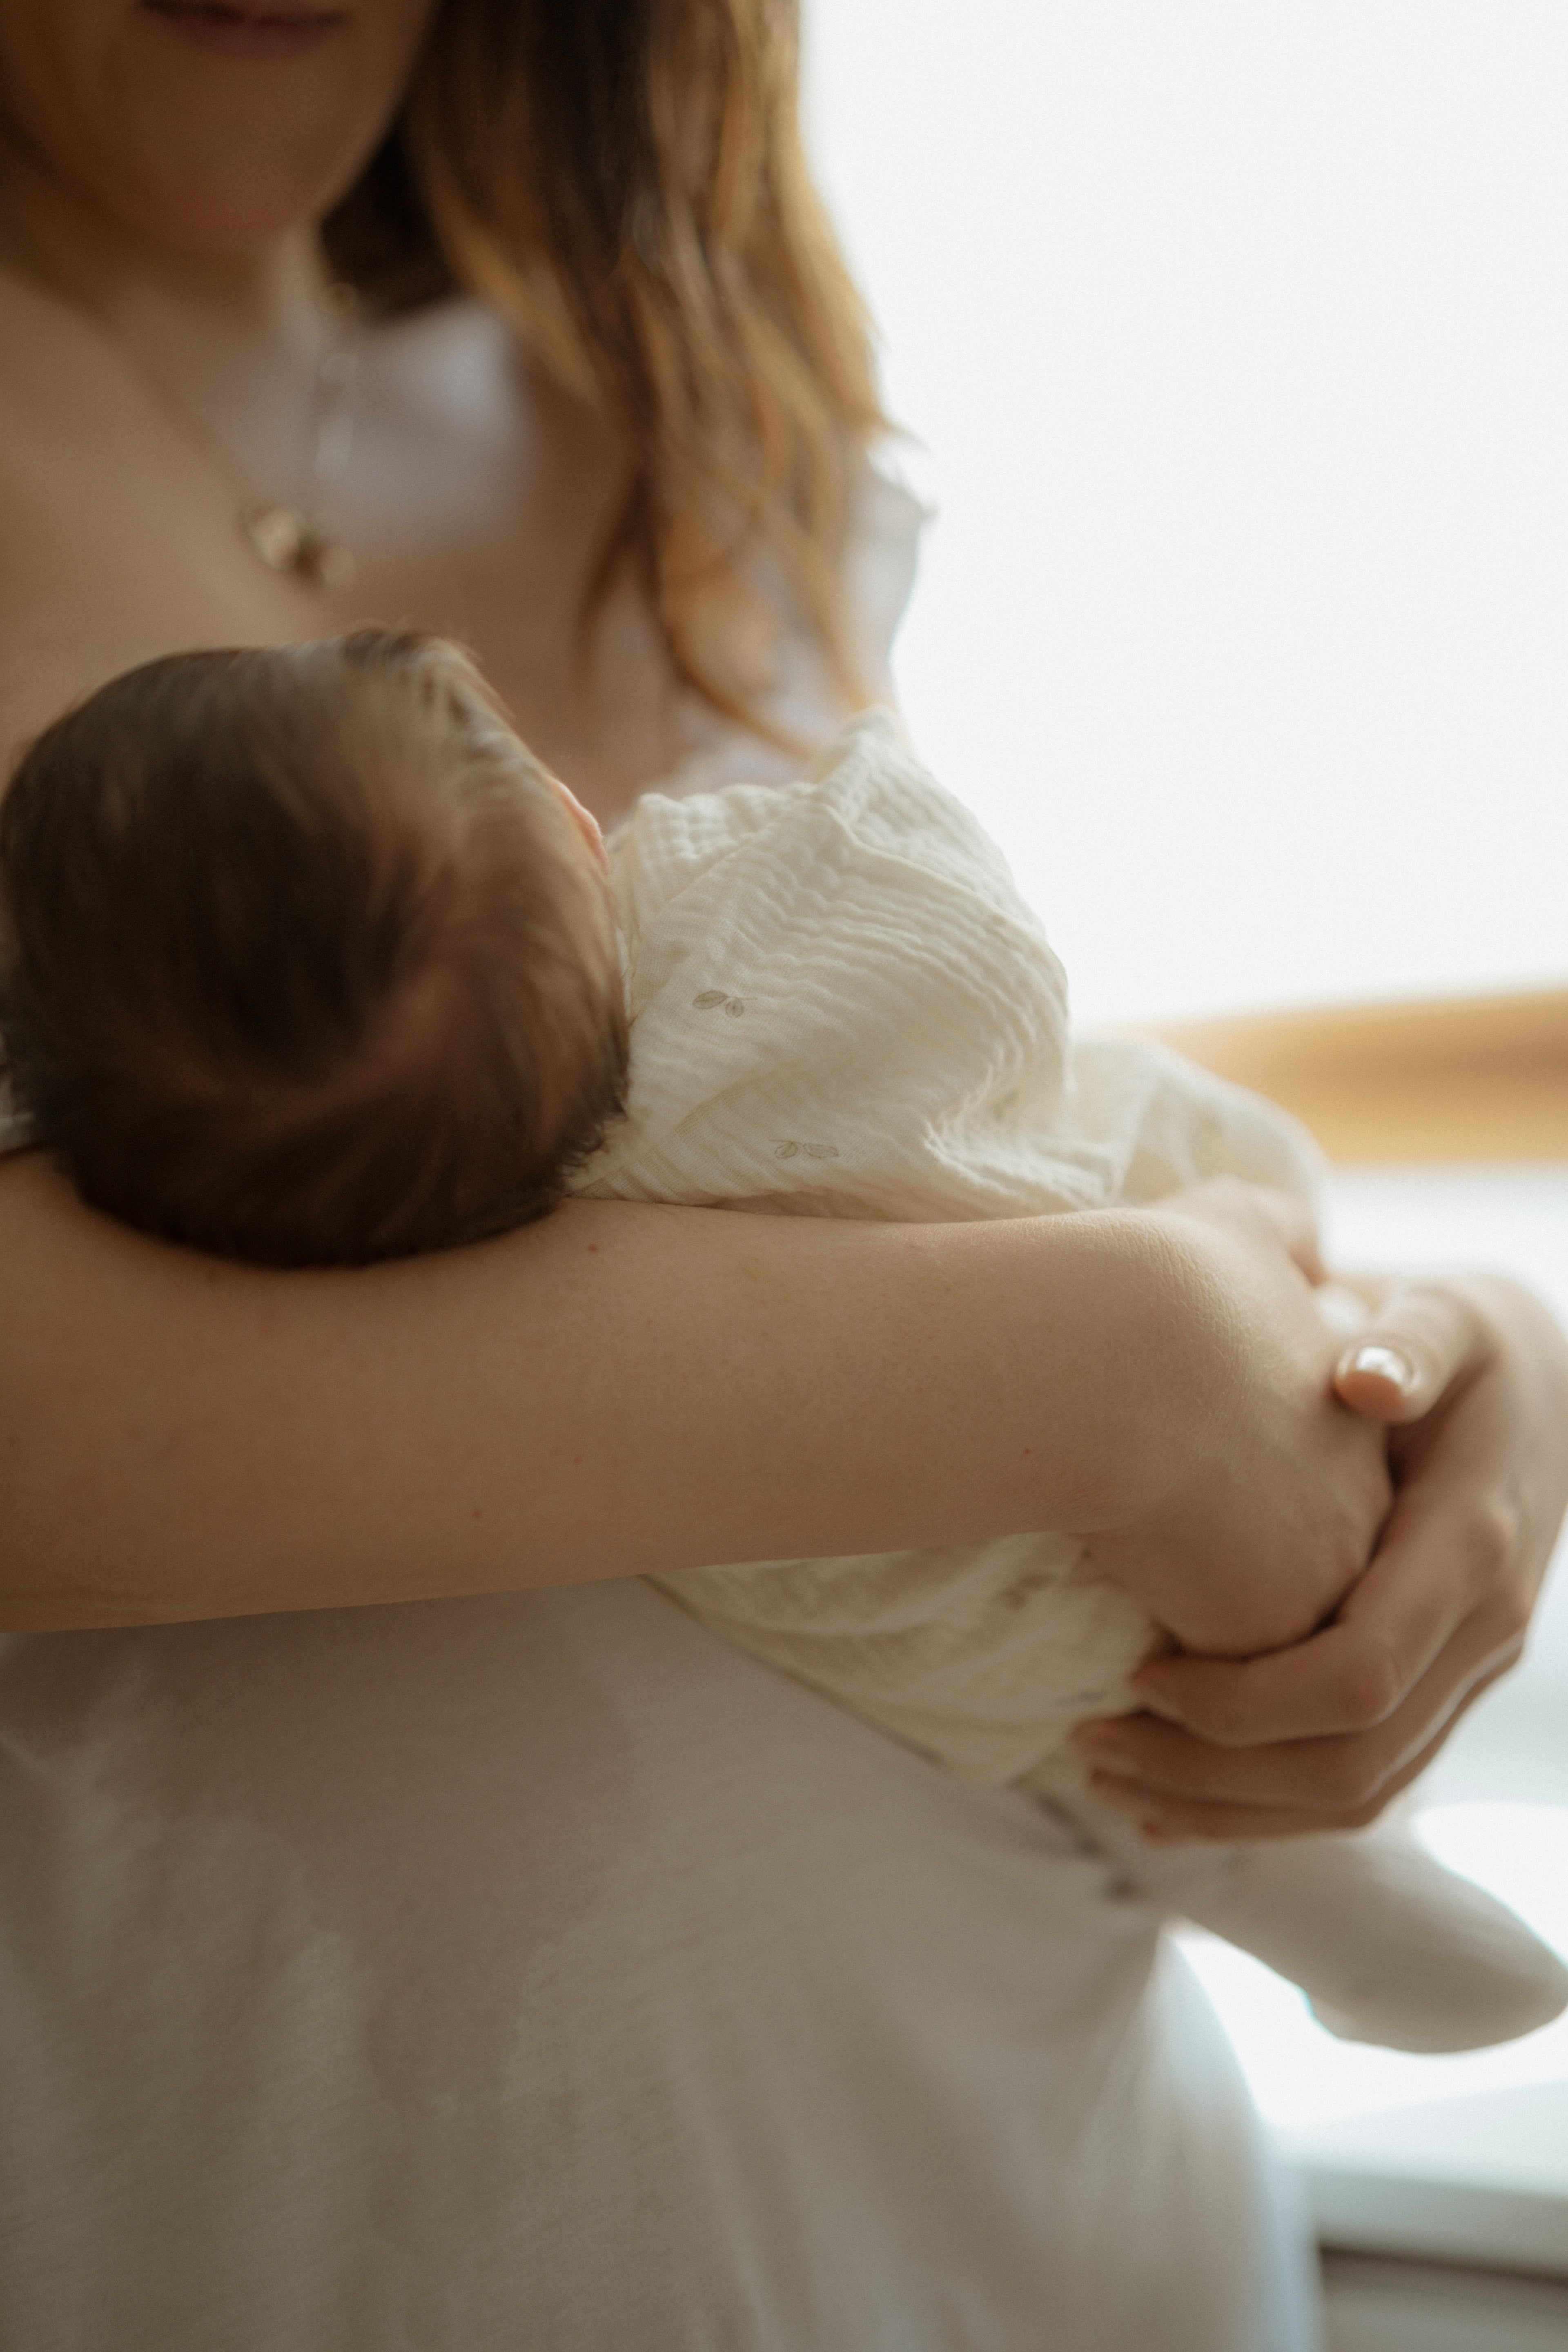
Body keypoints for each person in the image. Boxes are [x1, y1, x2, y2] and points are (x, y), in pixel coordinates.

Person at [1, 6, 1566, 2348]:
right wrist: (1129, 1364)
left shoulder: (685, 408)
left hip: (1077, 2211)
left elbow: (976, 1130)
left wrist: (1453, 1371)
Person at [5, 626, 1564, 2065]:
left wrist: (1481, 1346)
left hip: (1038, 1990)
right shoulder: (763, 927)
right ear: (579, 830)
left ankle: (1301, 1878)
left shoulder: (399, 1176)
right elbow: (970, 995)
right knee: (1143, 1723)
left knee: (1116, 1716)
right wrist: (1146, 1355)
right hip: (985, 1726)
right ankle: (1308, 1878)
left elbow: (1028, 1193)